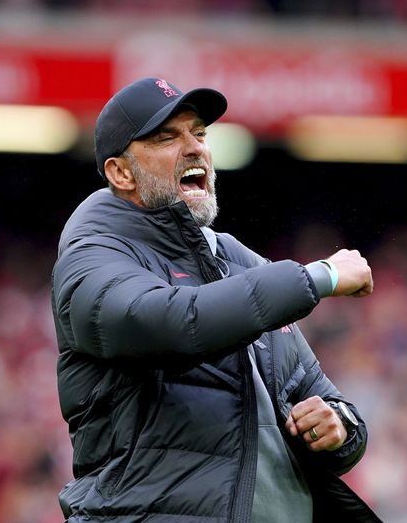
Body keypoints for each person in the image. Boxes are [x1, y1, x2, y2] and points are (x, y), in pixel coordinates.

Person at [51, 77, 381, 522]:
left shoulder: (241, 264)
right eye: (168, 137)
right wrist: (318, 276)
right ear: (120, 172)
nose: (194, 148)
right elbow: (179, 324)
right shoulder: (93, 257)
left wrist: (337, 427)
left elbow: (324, 400)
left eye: (200, 133)